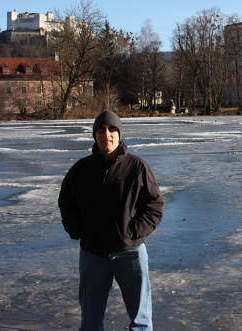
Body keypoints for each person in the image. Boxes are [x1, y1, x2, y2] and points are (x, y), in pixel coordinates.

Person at [58, 111, 164, 331]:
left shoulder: (137, 167)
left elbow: (154, 206)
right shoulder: (81, 170)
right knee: (90, 322)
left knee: (141, 322)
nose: (106, 134)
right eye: (101, 129)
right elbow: (66, 202)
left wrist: (134, 231)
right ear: (95, 134)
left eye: (112, 129)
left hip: (130, 252)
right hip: (93, 254)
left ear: (119, 134)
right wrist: (77, 229)